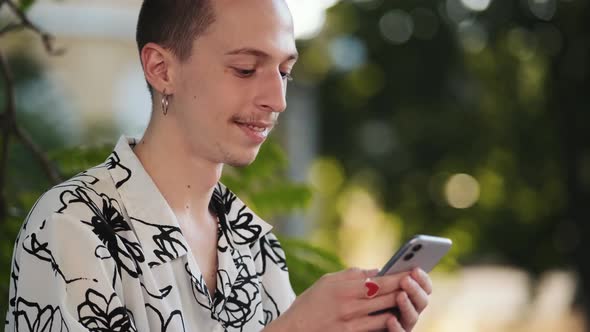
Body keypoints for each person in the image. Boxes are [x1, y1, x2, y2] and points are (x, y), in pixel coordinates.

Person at [5, 0, 433, 331]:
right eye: (246, 69)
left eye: (284, 71)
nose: (277, 99)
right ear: (161, 69)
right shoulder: (70, 226)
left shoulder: (256, 245)